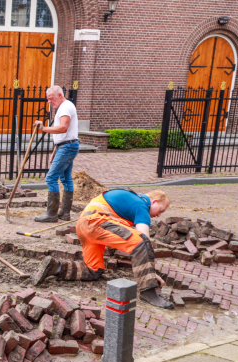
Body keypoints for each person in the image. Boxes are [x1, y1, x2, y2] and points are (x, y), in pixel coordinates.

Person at [31, 188, 175, 309]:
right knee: (142, 242)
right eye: (161, 210)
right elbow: (144, 239)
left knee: (93, 270)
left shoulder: (130, 198)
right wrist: (151, 276)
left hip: (84, 226)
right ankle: (148, 294)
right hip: (96, 223)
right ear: (154, 201)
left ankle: (56, 267)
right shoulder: (141, 204)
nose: (159, 215)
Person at [32, 86, 79, 223]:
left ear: (59, 95)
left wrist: (43, 128)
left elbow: (63, 128)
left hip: (67, 146)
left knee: (51, 178)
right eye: (48, 99)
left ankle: (51, 214)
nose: (49, 102)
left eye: (51, 99)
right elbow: (64, 134)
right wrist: (55, 150)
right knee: (65, 178)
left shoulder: (65, 107)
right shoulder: (65, 106)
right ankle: (64, 213)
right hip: (65, 146)